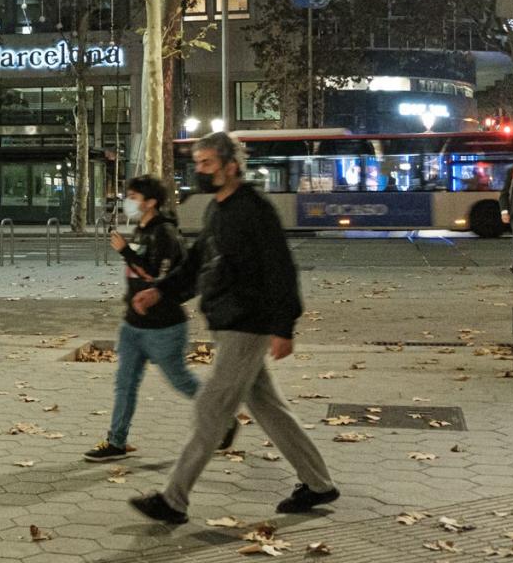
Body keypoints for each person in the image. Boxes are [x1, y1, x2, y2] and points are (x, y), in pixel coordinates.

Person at [129, 131, 337, 525]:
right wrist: (161, 292)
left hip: (248, 322)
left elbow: (280, 268)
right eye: (198, 162)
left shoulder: (254, 209)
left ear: (230, 166)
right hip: (228, 321)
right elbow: (195, 264)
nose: (201, 170)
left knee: (211, 408)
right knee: (268, 407)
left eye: (207, 163)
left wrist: (283, 327)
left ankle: (174, 500)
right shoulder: (216, 210)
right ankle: (319, 483)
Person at [84, 175, 201, 462]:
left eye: (134, 197)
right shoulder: (142, 227)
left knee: (181, 380)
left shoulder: (164, 233)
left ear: (151, 202)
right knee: (125, 383)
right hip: (133, 323)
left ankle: (222, 415)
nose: (129, 201)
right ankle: (116, 442)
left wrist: (124, 252)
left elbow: (156, 277)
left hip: (164, 325)